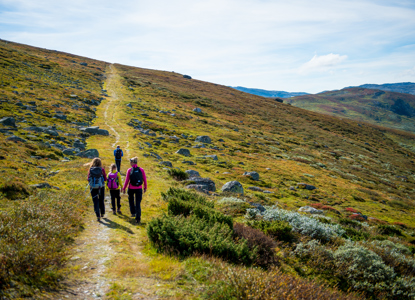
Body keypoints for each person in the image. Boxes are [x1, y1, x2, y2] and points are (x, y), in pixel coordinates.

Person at [122, 157, 147, 224]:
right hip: (139, 188)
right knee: (138, 203)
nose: (130, 163)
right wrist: (145, 187)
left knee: (131, 200)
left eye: (130, 162)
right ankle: (138, 218)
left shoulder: (129, 170)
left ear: (132, 162)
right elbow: (144, 179)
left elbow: (127, 180)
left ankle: (133, 213)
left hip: (131, 188)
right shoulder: (141, 170)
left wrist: (124, 188)